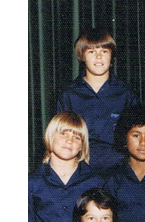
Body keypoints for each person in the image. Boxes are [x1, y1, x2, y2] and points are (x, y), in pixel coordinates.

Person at [30, 112, 104, 222]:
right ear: (50, 136)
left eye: (77, 137)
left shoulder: (95, 181)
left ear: (82, 145)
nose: (69, 140)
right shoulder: (32, 182)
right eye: (63, 133)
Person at [55, 28, 139, 171]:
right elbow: (59, 136)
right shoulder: (69, 94)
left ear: (111, 55)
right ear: (82, 55)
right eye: (92, 52)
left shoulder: (125, 93)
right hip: (81, 168)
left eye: (104, 51)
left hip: (119, 169)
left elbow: (137, 135)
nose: (98, 57)